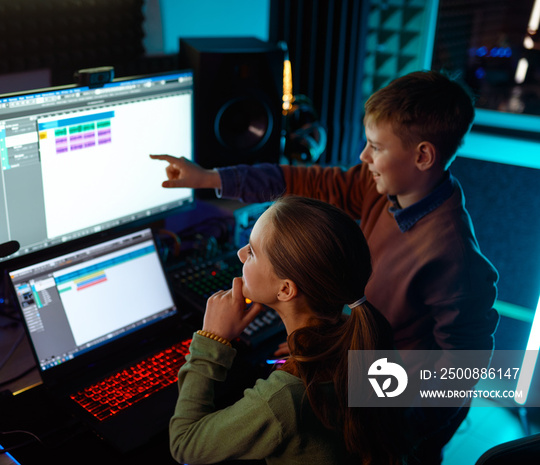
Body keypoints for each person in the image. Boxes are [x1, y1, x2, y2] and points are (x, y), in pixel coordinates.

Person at [154, 70, 499, 463]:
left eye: (374, 146)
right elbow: (304, 182)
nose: (363, 157)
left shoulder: (456, 260)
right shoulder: (381, 186)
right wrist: (211, 177)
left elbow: (459, 377)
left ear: (422, 155)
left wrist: (386, 431)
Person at [170, 196, 410, 465]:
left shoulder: (283, 398)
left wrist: (210, 339)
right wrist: (305, 349)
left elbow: (185, 444)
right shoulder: (364, 336)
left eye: (252, 252)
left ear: (285, 289)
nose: (240, 254)